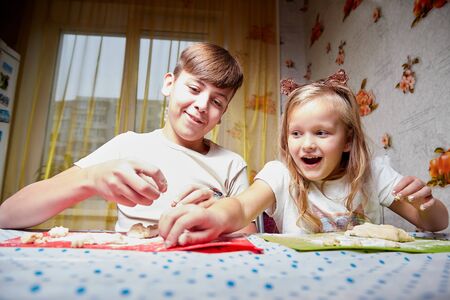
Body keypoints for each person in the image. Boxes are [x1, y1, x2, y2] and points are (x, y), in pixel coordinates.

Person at [159, 69, 449, 247]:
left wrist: (426, 205)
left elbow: (435, 224)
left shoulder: (374, 175)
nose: (306, 145)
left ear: (348, 140)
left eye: (321, 133)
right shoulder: (280, 174)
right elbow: (239, 207)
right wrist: (213, 217)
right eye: (296, 134)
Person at [0, 42, 256, 233]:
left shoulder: (231, 163)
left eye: (216, 101)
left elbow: (249, 236)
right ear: (169, 84)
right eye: (194, 88)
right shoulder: (128, 145)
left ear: (222, 114)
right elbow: (7, 216)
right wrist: (89, 178)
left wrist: (219, 214)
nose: (202, 105)